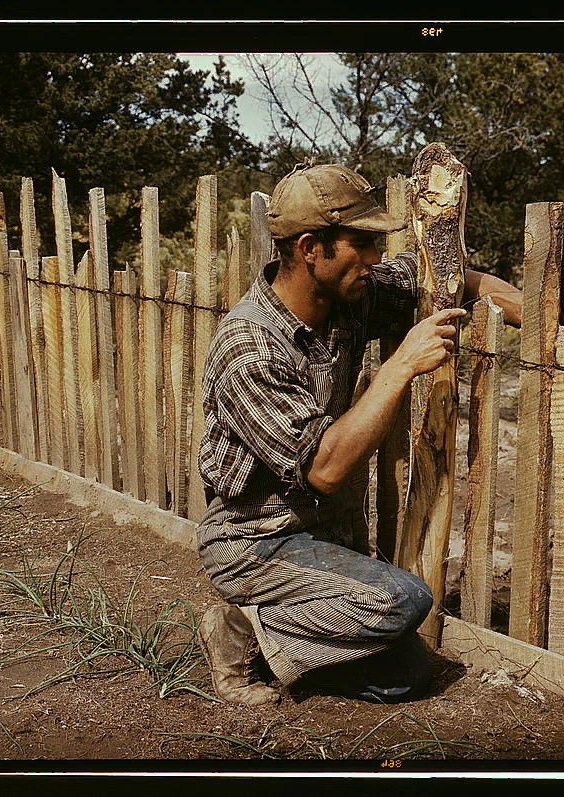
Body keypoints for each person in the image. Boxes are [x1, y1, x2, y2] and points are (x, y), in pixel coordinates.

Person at [194, 162, 522, 706]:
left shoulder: (348, 295)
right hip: (257, 542)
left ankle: (282, 645)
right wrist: (401, 366)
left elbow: (452, 278)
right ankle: (240, 625)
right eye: (361, 243)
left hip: (322, 538)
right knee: (405, 600)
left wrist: (533, 316)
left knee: (406, 678)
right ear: (309, 249)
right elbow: (323, 470)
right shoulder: (248, 348)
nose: (375, 258)